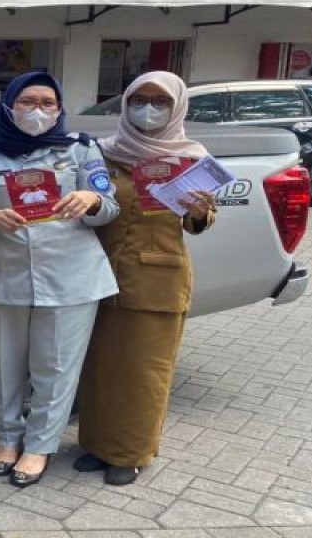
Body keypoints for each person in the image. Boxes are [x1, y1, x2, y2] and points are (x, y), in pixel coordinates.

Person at [0, 71, 119, 488]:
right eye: (27, 101)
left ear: (60, 108)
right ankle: (7, 440)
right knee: (5, 364)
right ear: (8, 106)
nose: (38, 110)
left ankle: (41, 446)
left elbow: (111, 206)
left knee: (56, 366)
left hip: (70, 275)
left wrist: (92, 199)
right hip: (1, 275)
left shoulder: (81, 150)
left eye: (47, 102)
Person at [76, 71, 217, 485]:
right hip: (97, 273)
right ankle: (95, 444)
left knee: (143, 372)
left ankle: (130, 453)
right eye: (140, 100)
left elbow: (201, 222)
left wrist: (196, 209)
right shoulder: (103, 153)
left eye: (160, 102)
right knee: (99, 367)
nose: (149, 109)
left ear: (176, 107)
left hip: (157, 278)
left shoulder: (190, 157)